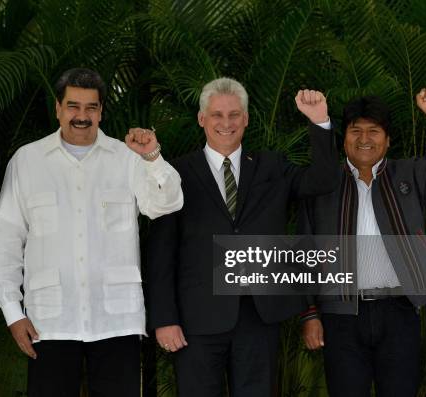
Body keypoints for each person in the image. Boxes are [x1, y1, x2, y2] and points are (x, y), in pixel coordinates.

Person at [0, 67, 183, 397]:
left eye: (91, 107)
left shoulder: (128, 157)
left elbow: (167, 202)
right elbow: (6, 242)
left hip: (116, 320)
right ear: (58, 108)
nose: (82, 116)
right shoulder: (27, 161)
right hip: (49, 323)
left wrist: (151, 156)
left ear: (101, 111)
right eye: (73, 106)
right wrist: (11, 312)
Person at [145, 77, 339, 397]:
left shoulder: (272, 166)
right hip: (196, 320)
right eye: (217, 115)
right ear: (202, 119)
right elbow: (161, 254)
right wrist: (164, 319)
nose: (226, 123)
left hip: (258, 318)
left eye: (234, 114)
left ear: (246, 119)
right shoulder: (174, 174)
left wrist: (319, 120)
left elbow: (323, 179)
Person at [299, 88, 426, 397]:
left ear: (387, 140)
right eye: (356, 130)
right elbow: (306, 251)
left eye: (374, 131)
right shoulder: (323, 185)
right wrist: (310, 314)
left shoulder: (409, 176)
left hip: (400, 311)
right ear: (344, 138)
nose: (365, 138)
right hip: (340, 316)